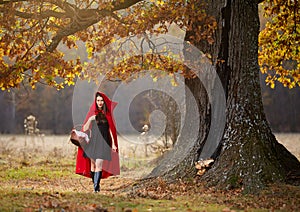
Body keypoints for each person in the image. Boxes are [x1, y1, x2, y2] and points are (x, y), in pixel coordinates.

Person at [75, 92, 120, 193]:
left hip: (104, 142)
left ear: (104, 101)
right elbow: (85, 128)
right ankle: (96, 187)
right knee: (93, 165)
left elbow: (111, 130)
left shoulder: (108, 114)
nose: (100, 102)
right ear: (95, 102)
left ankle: (96, 189)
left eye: (101, 100)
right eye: (98, 100)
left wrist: (113, 144)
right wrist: (91, 119)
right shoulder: (92, 113)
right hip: (93, 142)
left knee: (99, 164)